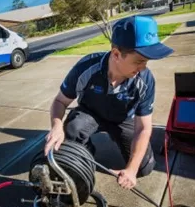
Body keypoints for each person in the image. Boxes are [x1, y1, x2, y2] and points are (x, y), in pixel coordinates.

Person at [44, 15, 174, 190]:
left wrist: (132, 169)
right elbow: (60, 101)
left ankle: (123, 148)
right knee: (72, 131)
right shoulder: (86, 68)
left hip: (122, 119)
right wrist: (56, 126)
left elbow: (144, 128)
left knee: (144, 168)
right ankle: (85, 154)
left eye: (146, 61)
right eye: (139, 61)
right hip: (90, 113)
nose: (143, 68)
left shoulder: (145, 79)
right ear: (116, 54)